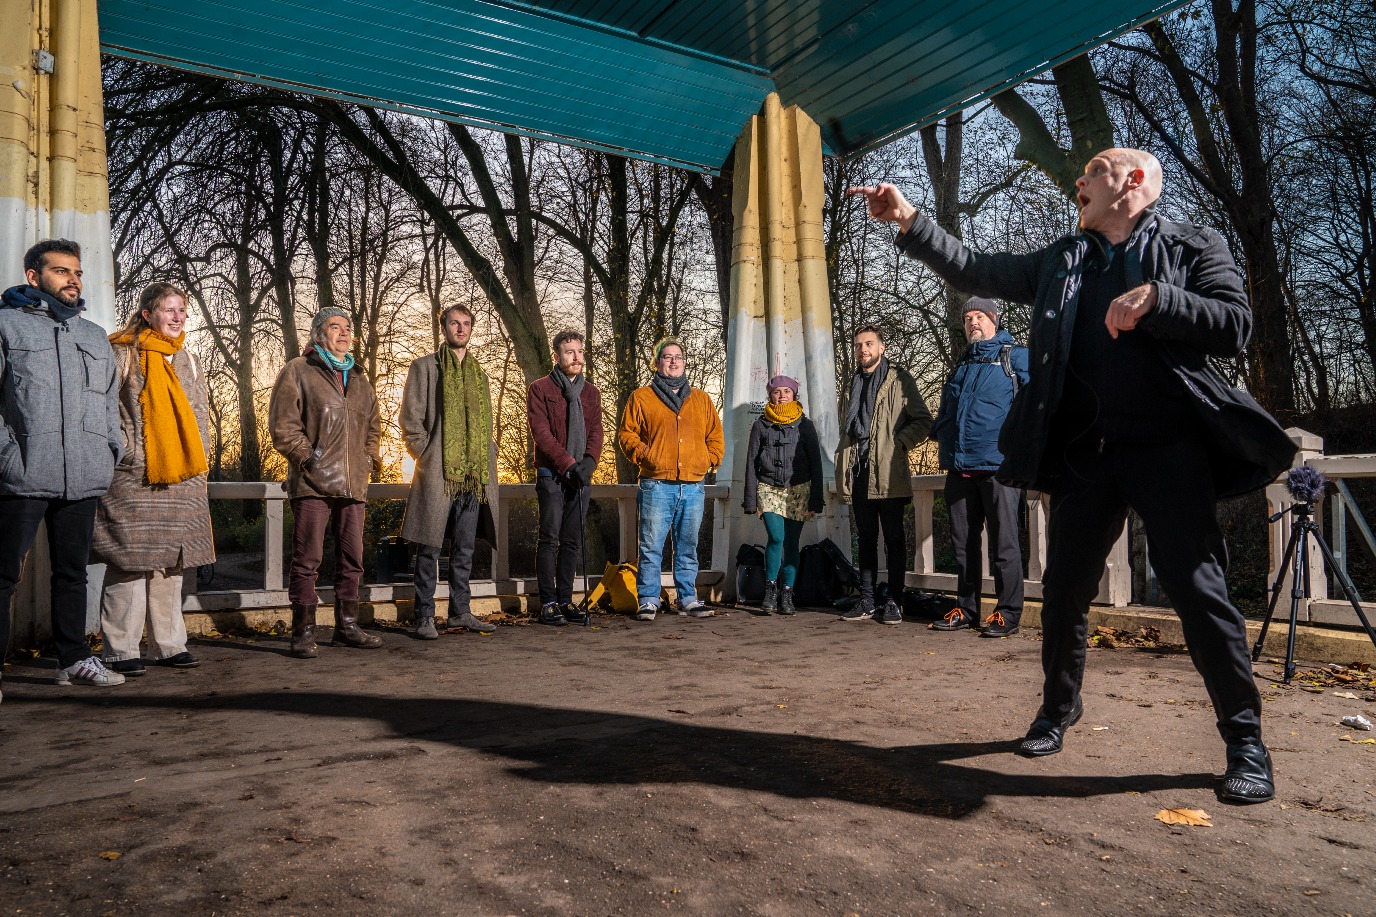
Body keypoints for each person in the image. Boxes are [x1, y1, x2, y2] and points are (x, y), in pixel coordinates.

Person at [848, 148, 1296, 803]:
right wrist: (909, 219)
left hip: (1168, 450)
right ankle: (1058, 708)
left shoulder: (1193, 245)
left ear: (1134, 182)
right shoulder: (1064, 259)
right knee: (1061, 594)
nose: (1080, 180)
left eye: (1095, 170)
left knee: (1201, 592)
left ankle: (1246, 741)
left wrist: (1160, 299)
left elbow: (1235, 324)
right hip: (1087, 454)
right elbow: (976, 266)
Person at [1, 240, 126, 695]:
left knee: (73, 573)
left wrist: (111, 448)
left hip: (84, 472)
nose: (73, 279)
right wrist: (7, 454)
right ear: (34, 277)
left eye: (77, 272)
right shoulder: (6, 325)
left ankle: (73, 660)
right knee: (3, 574)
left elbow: (109, 402)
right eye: (61, 271)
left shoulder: (93, 335)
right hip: (23, 472)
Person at [92, 283, 215, 676]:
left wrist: (202, 457)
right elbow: (101, 406)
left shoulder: (187, 357)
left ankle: (168, 645)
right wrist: (126, 448)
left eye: (182, 310)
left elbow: (200, 413)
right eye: (169, 310)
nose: (178, 317)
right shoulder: (121, 351)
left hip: (182, 474)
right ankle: (120, 649)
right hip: (134, 476)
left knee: (170, 564)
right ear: (147, 314)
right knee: (129, 561)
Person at [269, 306, 384, 657]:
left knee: (353, 559)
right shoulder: (298, 370)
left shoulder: (360, 379)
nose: (344, 332)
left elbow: (374, 427)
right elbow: (283, 425)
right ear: (319, 335)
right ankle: (303, 632)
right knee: (308, 560)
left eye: (348, 327)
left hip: (353, 484)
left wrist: (369, 459)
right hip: (312, 483)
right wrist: (309, 459)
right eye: (335, 327)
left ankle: (347, 627)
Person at [929, 297, 1029, 638]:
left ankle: (1008, 613)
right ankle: (967, 609)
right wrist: (941, 432)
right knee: (963, 546)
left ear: (994, 320)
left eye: (980, 316)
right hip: (959, 467)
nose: (973, 322)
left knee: (1005, 545)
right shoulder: (961, 365)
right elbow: (947, 410)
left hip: (1000, 468)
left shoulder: (1015, 357)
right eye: (968, 318)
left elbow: (1039, 402)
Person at [400, 304, 499, 638]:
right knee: (429, 548)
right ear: (443, 328)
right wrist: (426, 456)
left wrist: (487, 456)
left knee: (465, 549)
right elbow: (410, 420)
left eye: (466, 324)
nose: (461, 329)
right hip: (438, 474)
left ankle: (460, 612)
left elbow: (485, 425)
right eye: (454, 323)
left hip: (473, 477)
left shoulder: (479, 374)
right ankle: (424, 616)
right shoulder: (425, 367)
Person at [617, 336, 724, 621]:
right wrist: (647, 455)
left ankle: (687, 598)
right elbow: (627, 435)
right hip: (656, 483)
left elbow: (715, 436)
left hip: (693, 484)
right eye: (667, 357)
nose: (674, 361)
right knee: (651, 546)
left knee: (687, 546)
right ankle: (648, 600)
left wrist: (709, 459)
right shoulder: (641, 397)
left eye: (678, 356)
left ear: (685, 362)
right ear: (657, 363)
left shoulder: (701, 399)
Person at [835, 325, 933, 625]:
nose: (863, 349)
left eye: (869, 344)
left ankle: (894, 601)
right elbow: (847, 428)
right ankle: (866, 599)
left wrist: (899, 444)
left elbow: (923, 421)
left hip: (889, 472)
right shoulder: (853, 383)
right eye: (858, 345)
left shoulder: (899, 379)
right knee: (866, 539)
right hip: (859, 470)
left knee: (893, 539)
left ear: (882, 347)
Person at [527, 329, 604, 626]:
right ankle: (548, 602)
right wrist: (568, 464)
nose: (576, 357)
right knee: (550, 538)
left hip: (581, 475)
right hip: (552, 474)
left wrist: (589, 462)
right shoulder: (540, 388)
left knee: (572, 540)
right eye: (570, 352)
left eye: (580, 352)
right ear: (556, 356)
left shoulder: (591, 392)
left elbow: (596, 431)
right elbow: (541, 433)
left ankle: (565, 600)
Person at [741, 374, 824, 615]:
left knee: (791, 542)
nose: (782, 396)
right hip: (768, 488)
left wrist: (816, 498)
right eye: (777, 392)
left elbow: (816, 464)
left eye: (787, 391)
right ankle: (770, 589)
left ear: (794, 395)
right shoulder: (760, 425)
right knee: (776, 537)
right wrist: (750, 499)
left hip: (799, 489)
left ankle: (787, 593)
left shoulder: (806, 425)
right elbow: (751, 463)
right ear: (770, 396)